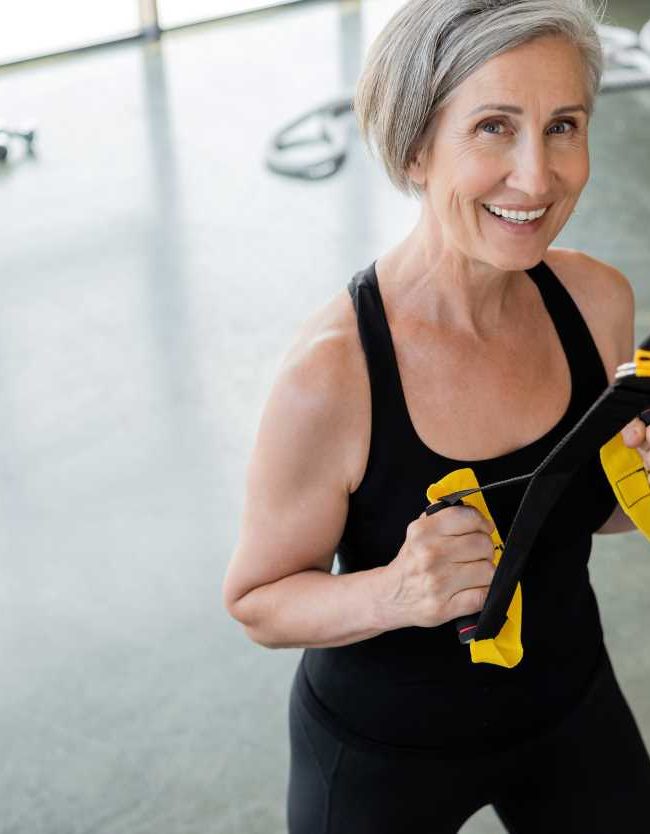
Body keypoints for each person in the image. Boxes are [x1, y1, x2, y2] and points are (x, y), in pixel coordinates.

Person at [222, 1, 650, 831]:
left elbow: (590, 511)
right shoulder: (334, 374)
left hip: (570, 703)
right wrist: (395, 593)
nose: (537, 177)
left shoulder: (597, 301)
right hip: (381, 752)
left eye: (563, 126)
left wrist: (637, 477)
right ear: (415, 147)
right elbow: (258, 602)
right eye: (494, 127)